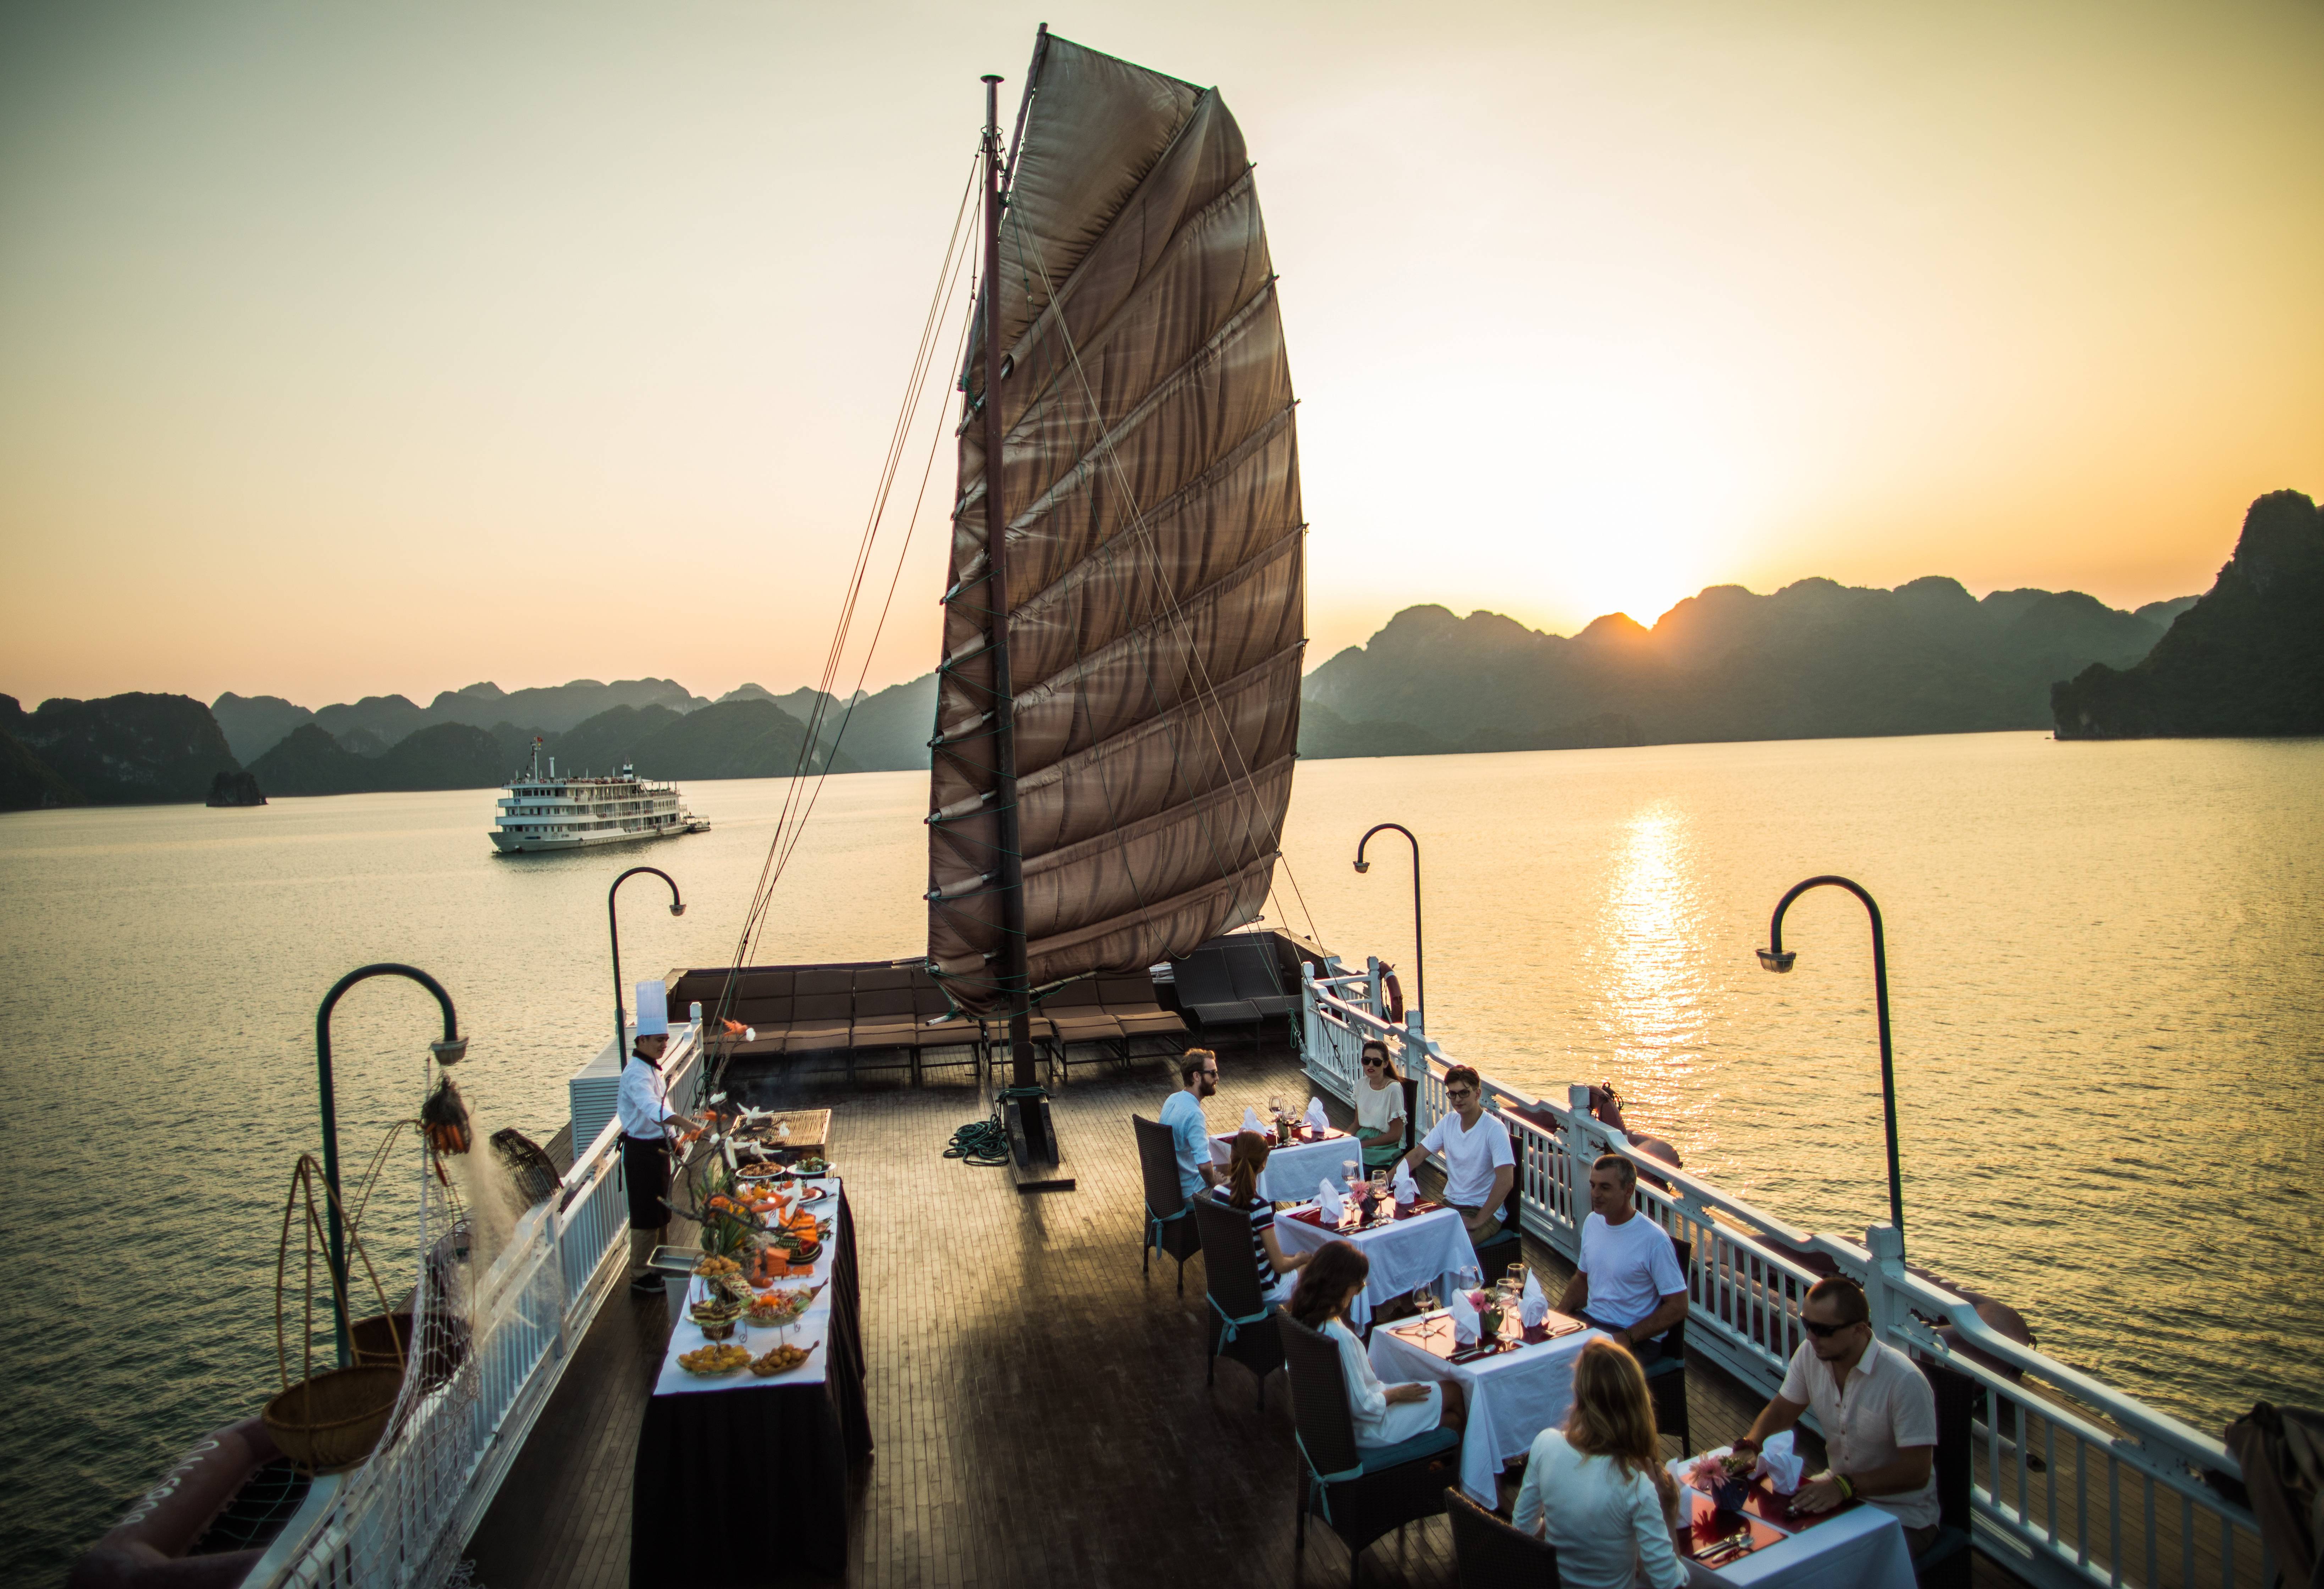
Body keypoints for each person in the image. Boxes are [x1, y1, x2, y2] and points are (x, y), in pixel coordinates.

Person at [1729, 1275, 1940, 1555]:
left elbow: (1916, 1472)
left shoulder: (1904, 1381)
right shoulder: (1811, 1354)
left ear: (1860, 1330)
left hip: (1901, 1516)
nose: (1811, 1337)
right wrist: (1751, 1445)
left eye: (1823, 1330)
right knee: (1766, 1536)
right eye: (1807, 1324)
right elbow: (1782, 1410)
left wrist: (1844, 1486)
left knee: (1817, 1559)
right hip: (1839, 1491)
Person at [1511, 1338, 1695, 1589]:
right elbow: (1670, 1583)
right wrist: (1667, 1510)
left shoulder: (1545, 1445)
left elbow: (1522, 1529)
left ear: (1579, 1396)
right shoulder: (1636, 1485)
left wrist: (1565, 1527)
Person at [1286, 1241, 1464, 1447]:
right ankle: (1466, 1473)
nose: (1359, 1292)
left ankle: (1440, 1467)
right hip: (1369, 1427)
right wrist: (1397, 1394)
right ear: (1341, 1286)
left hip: (1336, 1424)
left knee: (1451, 1420)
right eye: (1359, 1286)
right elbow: (1364, 1407)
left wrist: (1361, 1366)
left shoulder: (1302, 1319)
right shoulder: (1338, 1337)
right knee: (1454, 1392)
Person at [1556, 1153, 1688, 1363]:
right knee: (1541, 1354)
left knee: (1577, 1370)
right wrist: (1557, 1318)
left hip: (1634, 1338)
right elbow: (1582, 1279)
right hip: (1593, 1323)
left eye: (1605, 1187)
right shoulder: (1593, 1222)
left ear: (1628, 1190)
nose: (1595, 1194)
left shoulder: (1654, 1240)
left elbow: (1678, 1306)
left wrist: (1628, 1337)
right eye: (1593, 1186)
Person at [619, 980, 706, 1295]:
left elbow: (663, 1108)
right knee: (645, 1215)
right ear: (641, 1039)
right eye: (659, 1041)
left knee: (661, 1212)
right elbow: (651, 1109)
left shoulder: (653, 1069)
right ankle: (640, 1276)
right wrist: (685, 1124)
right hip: (641, 1153)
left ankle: (660, 1264)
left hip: (658, 1149)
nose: (663, 1047)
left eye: (666, 1041)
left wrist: (675, 1139)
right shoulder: (634, 1074)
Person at [1400, 1065, 1514, 1246]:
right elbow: (1417, 1155)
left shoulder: (1494, 1129)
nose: (1457, 1099)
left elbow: (1506, 1181)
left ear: (1478, 1094)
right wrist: (1382, 1182)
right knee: (1414, 1235)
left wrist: (1479, 1220)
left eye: (1464, 1093)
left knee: (1452, 1243)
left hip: (1482, 1210)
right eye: (1452, 1094)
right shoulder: (1449, 1122)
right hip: (1451, 1204)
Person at [1211, 1131, 1311, 1302]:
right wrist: (1300, 1259)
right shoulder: (1259, 1207)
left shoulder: (1218, 1193)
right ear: (1263, 1165)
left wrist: (1293, 1258)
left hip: (1230, 1283)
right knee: (1314, 1268)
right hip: (1264, 1290)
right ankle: (1300, 1327)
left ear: (1231, 1156)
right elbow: (1279, 1266)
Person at [1158, 1048, 1224, 1201]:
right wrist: (1216, 1184)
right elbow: (1204, 1166)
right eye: (1213, 1073)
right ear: (1196, 1076)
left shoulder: (1172, 1100)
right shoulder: (1194, 1114)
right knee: (1247, 1196)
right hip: (1193, 1193)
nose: (1217, 1078)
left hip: (1174, 1187)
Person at [1353, 1041, 1408, 1170]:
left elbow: (1396, 1134)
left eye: (1376, 1062)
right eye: (1366, 1061)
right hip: (1363, 1141)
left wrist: (1364, 1145)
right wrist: (1342, 1141)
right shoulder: (1361, 1084)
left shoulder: (1393, 1089)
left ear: (1386, 1064)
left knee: (1349, 1169)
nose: (1370, 1065)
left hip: (1384, 1148)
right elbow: (1357, 1123)